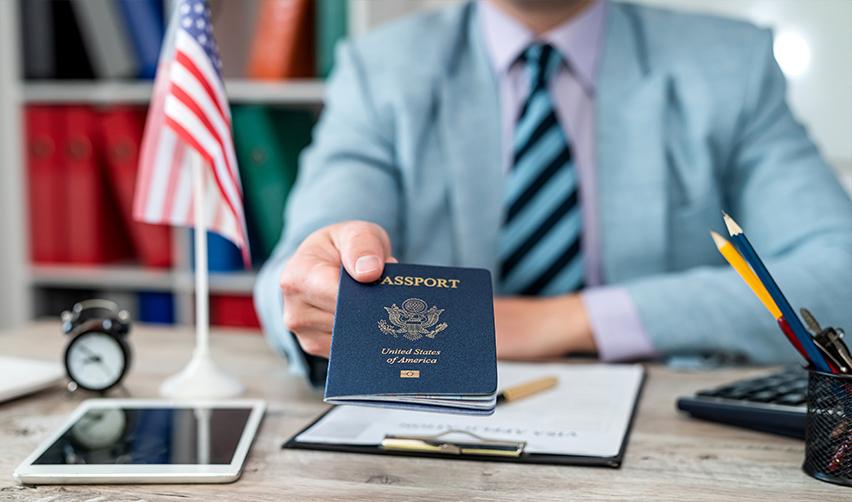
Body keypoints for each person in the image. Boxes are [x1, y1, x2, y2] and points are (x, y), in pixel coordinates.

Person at [254, 0, 852, 385]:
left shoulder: (731, 63)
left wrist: (565, 321)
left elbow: (839, 274)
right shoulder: (379, 67)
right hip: (433, 426)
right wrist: (319, 289)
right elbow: (296, 266)